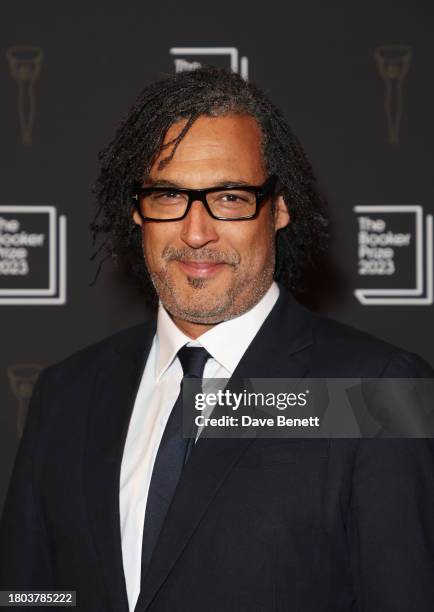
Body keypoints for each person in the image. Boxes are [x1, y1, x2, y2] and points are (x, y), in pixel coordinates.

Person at [1, 66, 433, 612]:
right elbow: (33, 594)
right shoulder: (65, 393)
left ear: (278, 207)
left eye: (229, 197)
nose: (196, 232)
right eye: (167, 196)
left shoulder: (378, 391)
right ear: (138, 211)